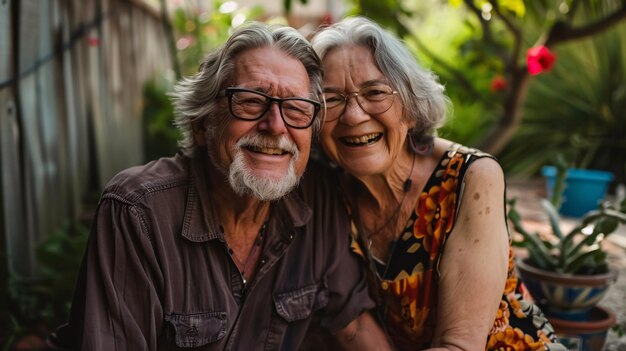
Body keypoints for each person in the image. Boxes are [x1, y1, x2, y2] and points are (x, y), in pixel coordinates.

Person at [47, 22, 391, 350]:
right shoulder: (139, 212)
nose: (275, 125)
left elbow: (353, 323)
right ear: (202, 124)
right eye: (251, 101)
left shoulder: (316, 198)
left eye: (296, 108)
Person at [310, 17, 567, 351]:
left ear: (410, 107)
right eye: (332, 99)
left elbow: (460, 344)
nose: (354, 115)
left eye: (374, 92)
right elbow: (349, 320)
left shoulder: (469, 177)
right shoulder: (328, 188)